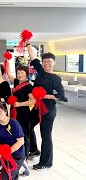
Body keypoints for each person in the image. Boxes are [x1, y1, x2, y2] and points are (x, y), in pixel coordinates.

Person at [27, 42, 67, 170]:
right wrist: (27, 43)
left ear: (53, 62)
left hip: (48, 109)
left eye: (49, 61)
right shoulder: (41, 72)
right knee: (26, 126)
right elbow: (33, 58)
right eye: (44, 61)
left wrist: (45, 96)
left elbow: (61, 95)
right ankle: (33, 149)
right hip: (37, 107)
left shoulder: (56, 78)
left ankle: (46, 162)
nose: (46, 63)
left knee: (46, 134)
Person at [6, 63, 36, 176]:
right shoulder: (16, 82)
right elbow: (9, 74)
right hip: (14, 112)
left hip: (23, 113)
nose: (19, 75)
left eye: (22, 73)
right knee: (14, 134)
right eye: (18, 73)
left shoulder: (28, 86)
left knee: (24, 136)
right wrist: (7, 60)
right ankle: (16, 155)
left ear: (27, 75)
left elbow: (34, 101)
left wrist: (20, 104)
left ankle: (25, 158)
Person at [0, 103, 25, 180]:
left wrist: (8, 151)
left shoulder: (14, 123)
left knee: (5, 178)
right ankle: (5, 167)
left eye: (0, 111)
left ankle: (21, 166)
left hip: (16, 154)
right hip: (3, 152)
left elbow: (21, 142)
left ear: (5, 111)